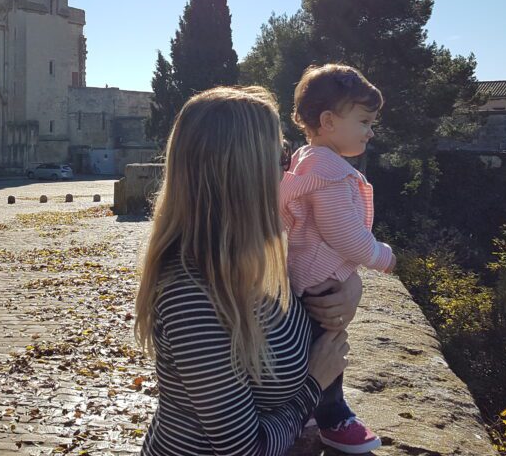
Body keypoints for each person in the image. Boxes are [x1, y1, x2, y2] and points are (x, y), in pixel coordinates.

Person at [136, 86, 362, 456]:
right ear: (246, 175)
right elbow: (245, 449)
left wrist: (352, 288)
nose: (287, 171)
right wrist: (315, 383)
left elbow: (325, 271)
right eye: (281, 157)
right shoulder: (192, 297)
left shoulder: (263, 256)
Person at [280, 64, 395, 453]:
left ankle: (311, 411)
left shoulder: (307, 160)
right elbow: (344, 235)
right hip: (318, 278)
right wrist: (384, 258)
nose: (370, 130)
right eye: (363, 121)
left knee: (310, 347)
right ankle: (332, 416)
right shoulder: (328, 172)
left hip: (307, 274)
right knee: (327, 348)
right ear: (328, 121)